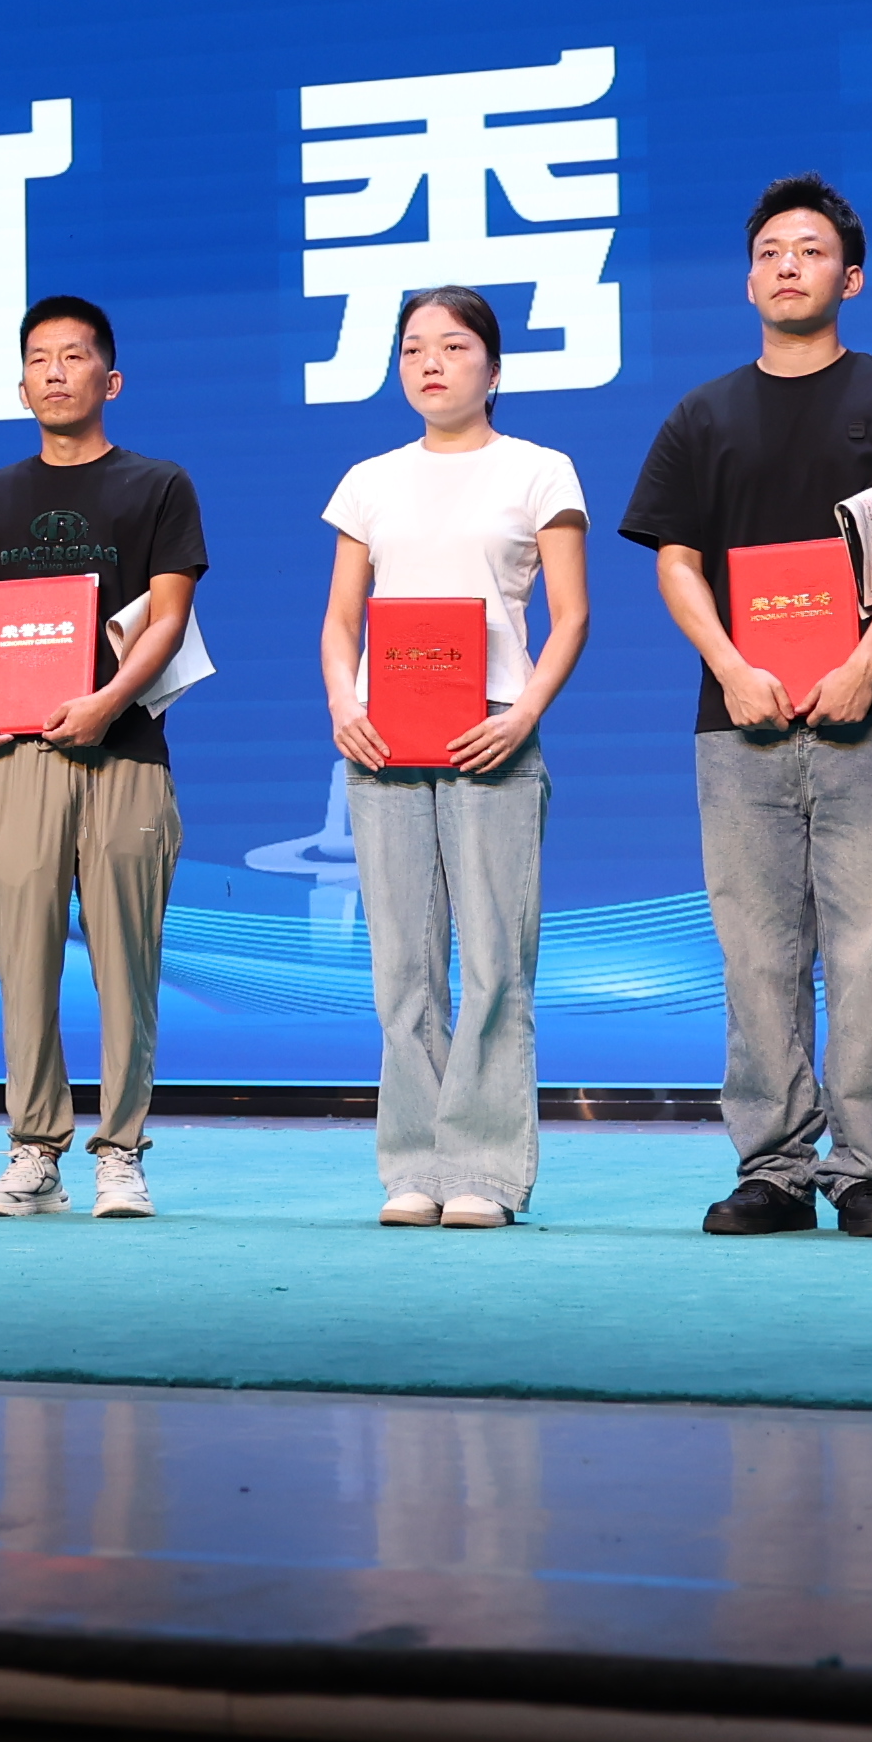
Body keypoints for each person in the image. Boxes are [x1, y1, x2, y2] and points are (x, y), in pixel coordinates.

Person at [620, 176, 872, 1240]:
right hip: (742, 720)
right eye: (768, 252)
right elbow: (677, 560)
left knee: (870, 947)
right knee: (758, 953)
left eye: (809, 250)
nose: (786, 266)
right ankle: (773, 1167)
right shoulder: (702, 414)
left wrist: (863, 662)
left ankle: (867, 1171)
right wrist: (728, 664)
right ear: (748, 279)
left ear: (849, 278)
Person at [315, 290, 590, 1230]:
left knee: (495, 961)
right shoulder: (370, 480)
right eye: (413, 349)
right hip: (384, 736)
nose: (431, 363)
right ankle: (414, 1166)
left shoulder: (539, 470)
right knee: (403, 964)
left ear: (494, 369)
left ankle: (486, 1173)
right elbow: (341, 619)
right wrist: (344, 704)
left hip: (492, 730)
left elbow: (571, 614)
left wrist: (526, 714)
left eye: (454, 346)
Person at [0, 296, 206, 1221]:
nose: (55, 372)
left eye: (74, 356)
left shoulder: (158, 484)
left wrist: (105, 702)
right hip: (13, 757)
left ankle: (122, 1152)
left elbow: (168, 617)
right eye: (39, 360)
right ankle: (35, 1150)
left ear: (111, 379)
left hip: (124, 750)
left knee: (127, 960)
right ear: (21, 386)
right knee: (23, 960)